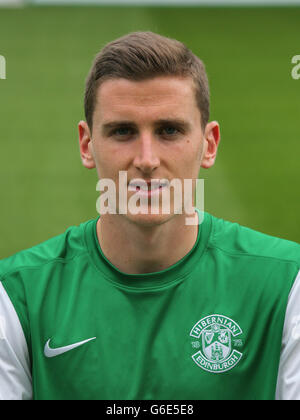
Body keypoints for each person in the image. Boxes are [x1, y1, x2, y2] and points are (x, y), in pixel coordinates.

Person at [0, 31, 299, 401]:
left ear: (209, 145)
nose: (146, 159)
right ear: (86, 145)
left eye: (169, 130)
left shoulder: (287, 285)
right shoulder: (16, 296)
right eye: (122, 131)